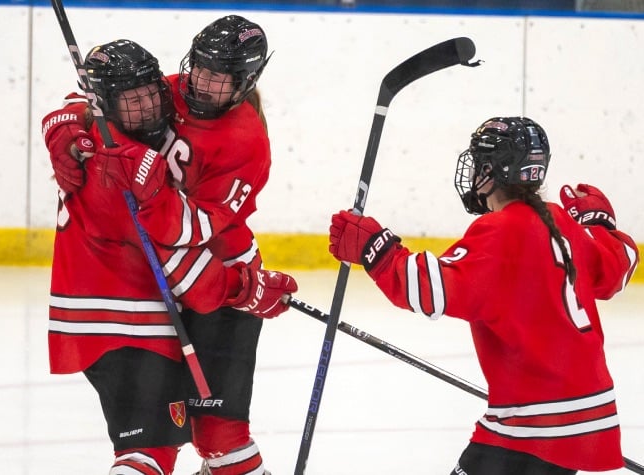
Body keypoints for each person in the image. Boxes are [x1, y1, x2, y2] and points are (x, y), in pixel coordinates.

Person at [327, 117, 639, 474]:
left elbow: (430, 290)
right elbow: (620, 265)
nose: (474, 172)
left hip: (533, 423)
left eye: (479, 164)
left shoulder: (500, 230)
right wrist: (600, 225)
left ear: (493, 170)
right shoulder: (561, 222)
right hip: (588, 414)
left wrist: (374, 248)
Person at [42, 39, 297, 475]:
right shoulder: (120, 151)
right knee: (152, 450)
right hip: (136, 299)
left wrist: (241, 283)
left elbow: (188, 235)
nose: (145, 108)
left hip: (188, 287)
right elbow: (169, 254)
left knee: (218, 438)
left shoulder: (238, 138)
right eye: (202, 71)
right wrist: (62, 125)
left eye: (149, 95)